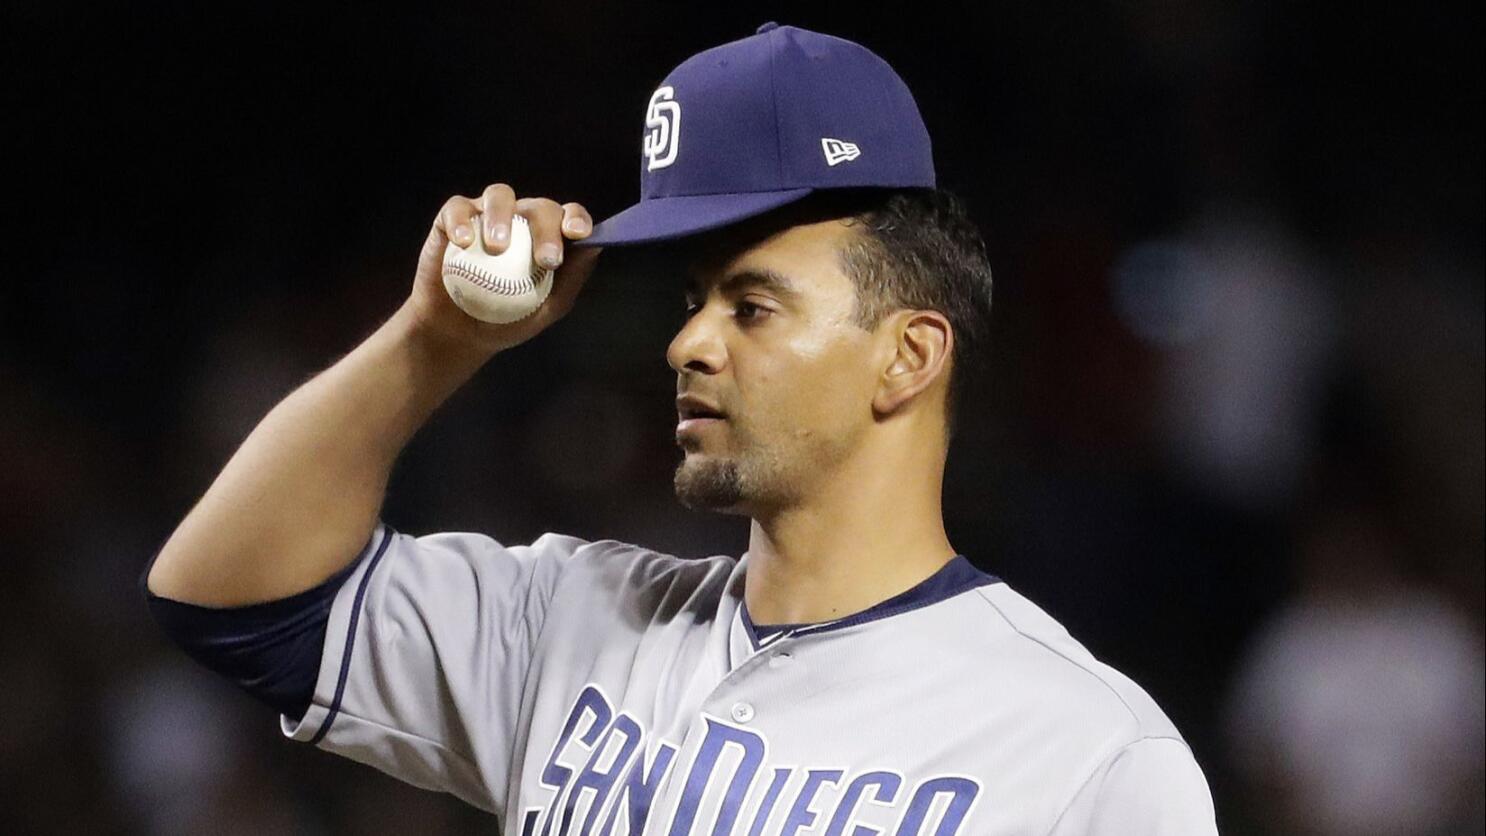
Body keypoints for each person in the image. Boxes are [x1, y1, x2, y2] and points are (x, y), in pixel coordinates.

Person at [145, 23, 1217, 835]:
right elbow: (234, 596)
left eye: (751, 306)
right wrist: (435, 341)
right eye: (692, 297)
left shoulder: (1087, 752)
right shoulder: (570, 620)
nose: (689, 342)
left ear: (909, 353)